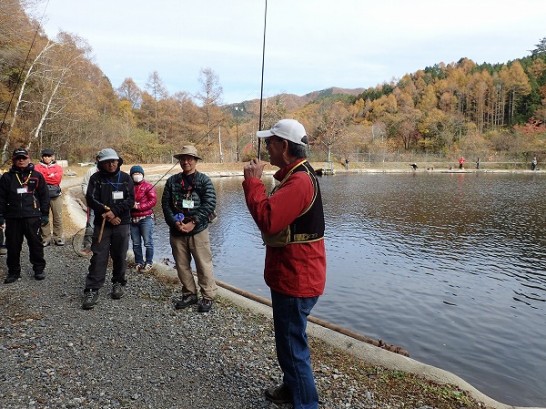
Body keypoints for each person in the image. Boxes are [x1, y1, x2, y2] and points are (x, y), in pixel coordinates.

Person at [242, 119, 326, 409]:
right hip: (293, 275)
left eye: (270, 142)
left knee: (292, 345)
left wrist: (253, 182)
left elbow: (268, 219)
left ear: (284, 146)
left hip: (297, 277)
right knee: (288, 342)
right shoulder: (295, 176)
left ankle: (306, 404)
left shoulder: (300, 181)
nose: (266, 146)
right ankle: (292, 389)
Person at [161, 145, 217, 313]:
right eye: (183, 159)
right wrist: (174, 222)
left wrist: (193, 221)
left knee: (203, 264)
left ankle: (207, 296)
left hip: (198, 230)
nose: (186, 162)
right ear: (179, 161)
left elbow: (210, 203)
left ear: (195, 161)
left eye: (189, 158)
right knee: (182, 265)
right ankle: (189, 294)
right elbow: (165, 204)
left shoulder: (204, 180)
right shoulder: (172, 181)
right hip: (177, 231)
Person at [81, 148, 134, 310]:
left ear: (118, 161)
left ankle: (118, 282)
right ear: (101, 163)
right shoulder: (96, 178)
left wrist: (115, 212)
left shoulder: (125, 178)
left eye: (114, 161)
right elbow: (91, 199)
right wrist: (108, 214)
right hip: (102, 223)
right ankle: (92, 289)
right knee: (98, 256)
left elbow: (131, 200)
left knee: (120, 255)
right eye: (107, 162)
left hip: (122, 223)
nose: (111, 164)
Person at [0, 148, 50, 283]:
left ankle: (39, 269)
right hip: (13, 217)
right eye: (18, 158)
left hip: (32, 216)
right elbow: (1, 198)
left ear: (29, 159)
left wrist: (45, 214)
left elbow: (44, 196)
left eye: (23, 158)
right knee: (13, 245)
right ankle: (13, 272)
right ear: (13, 160)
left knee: (36, 244)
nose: (21, 160)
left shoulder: (37, 175)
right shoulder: (6, 177)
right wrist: (1, 215)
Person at [129, 165, 157, 272]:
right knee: (136, 243)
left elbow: (153, 201)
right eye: (135, 174)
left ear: (142, 175)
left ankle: (149, 262)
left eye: (139, 174)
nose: (137, 176)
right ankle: (139, 262)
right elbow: (124, 199)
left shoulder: (148, 186)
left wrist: (139, 206)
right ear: (131, 176)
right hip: (132, 219)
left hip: (146, 218)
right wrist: (130, 204)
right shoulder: (128, 187)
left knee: (147, 242)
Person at [34, 148, 64, 246]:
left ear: (53, 157)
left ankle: (58, 237)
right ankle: (45, 238)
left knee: (57, 216)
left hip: (56, 195)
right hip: (42, 195)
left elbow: (57, 180)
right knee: (44, 216)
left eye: (49, 156)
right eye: (45, 156)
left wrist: (46, 177)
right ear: (42, 157)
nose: (47, 158)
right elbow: (39, 179)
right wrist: (50, 176)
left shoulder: (58, 167)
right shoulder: (37, 167)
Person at [79, 156, 99, 256]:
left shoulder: (112, 171)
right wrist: (89, 196)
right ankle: (87, 246)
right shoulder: (91, 171)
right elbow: (84, 184)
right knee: (91, 225)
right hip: (93, 203)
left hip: (108, 204)